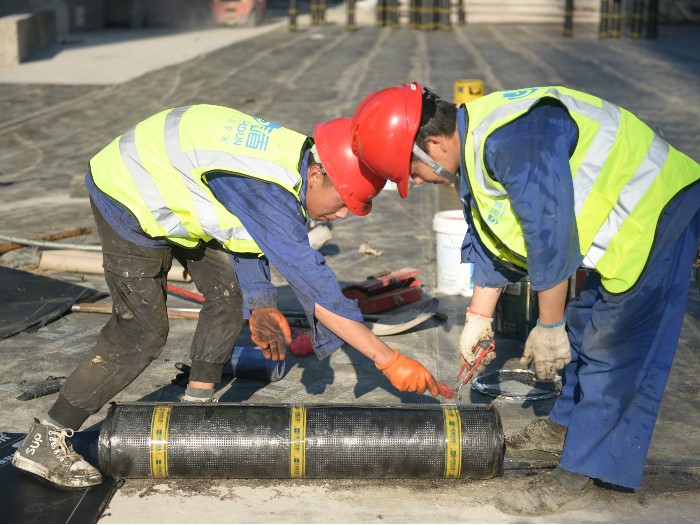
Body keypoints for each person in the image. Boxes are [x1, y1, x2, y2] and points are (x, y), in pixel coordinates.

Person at [12, 105, 439, 489]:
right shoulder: (270, 188)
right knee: (142, 332)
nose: (344, 214)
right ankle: (46, 439)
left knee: (228, 291)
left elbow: (242, 226)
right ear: (316, 175)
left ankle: (195, 404)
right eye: (346, 201)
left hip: (179, 185)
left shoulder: (293, 166)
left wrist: (261, 300)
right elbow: (317, 285)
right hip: (131, 190)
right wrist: (387, 360)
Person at [350, 83, 700, 514]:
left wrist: (549, 327)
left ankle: (580, 473)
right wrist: (479, 315)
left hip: (658, 209)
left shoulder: (513, 141)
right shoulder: (475, 144)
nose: (420, 183)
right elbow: (497, 236)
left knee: (614, 349)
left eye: (414, 174)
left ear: (434, 144)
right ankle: (563, 429)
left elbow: (549, 237)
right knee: (585, 325)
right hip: (616, 223)